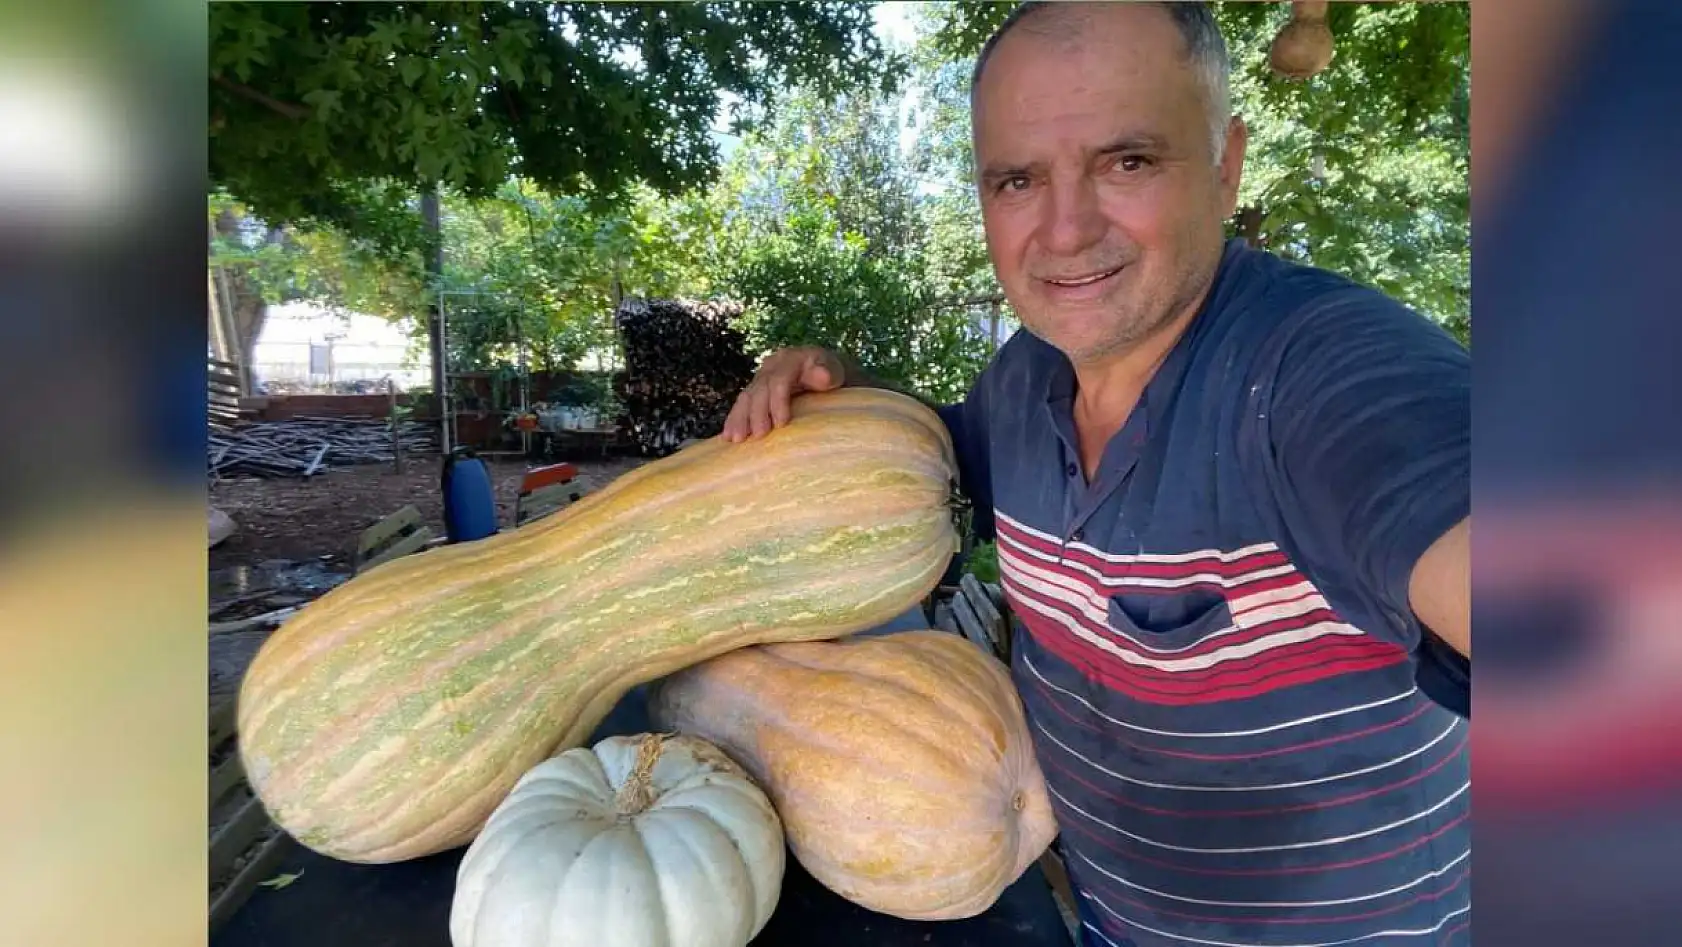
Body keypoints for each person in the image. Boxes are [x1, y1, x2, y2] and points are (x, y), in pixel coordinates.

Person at [723, 3, 1469, 946]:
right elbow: (913, 479)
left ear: (1228, 162)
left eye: (1128, 162)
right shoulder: (1024, 380)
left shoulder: (1320, 372)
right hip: (1106, 924)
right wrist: (836, 386)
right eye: (1018, 179)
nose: (1065, 231)